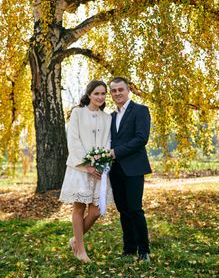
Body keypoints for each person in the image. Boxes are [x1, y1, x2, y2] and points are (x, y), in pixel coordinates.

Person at [59, 80, 113, 263]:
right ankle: (81, 251)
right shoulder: (78, 113)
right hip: (80, 168)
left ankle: (75, 239)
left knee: (96, 210)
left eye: (103, 94)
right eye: (96, 93)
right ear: (89, 94)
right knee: (79, 207)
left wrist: (101, 163)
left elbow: (107, 142)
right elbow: (73, 141)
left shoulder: (107, 118)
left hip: (99, 171)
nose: (100, 97)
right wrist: (87, 165)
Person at [109, 77, 151, 262]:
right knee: (123, 210)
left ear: (128, 91)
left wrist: (115, 152)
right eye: (114, 91)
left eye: (120, 90)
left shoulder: (141, 111)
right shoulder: (110, 116)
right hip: (115, 170)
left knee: (135, 209)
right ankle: (129, 249)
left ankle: (144, 250)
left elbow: (141, 138)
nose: (117, 93)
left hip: (133, 168)